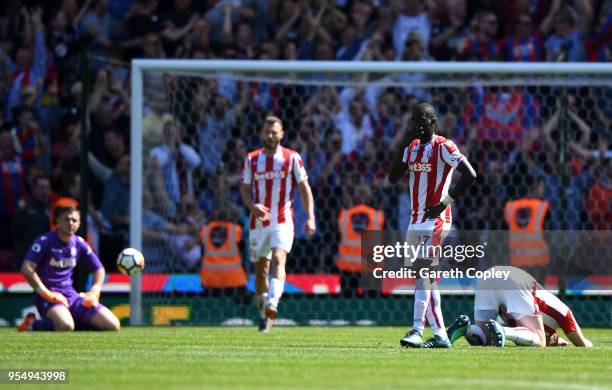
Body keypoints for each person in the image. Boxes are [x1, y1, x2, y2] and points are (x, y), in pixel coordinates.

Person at [388, 102, 477, 348]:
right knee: (426, 279)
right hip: (415, 219)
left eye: (421, 120)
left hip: (436, 219)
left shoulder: (444, 146)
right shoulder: (412, 147)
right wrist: (405, 140)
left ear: (433, 121)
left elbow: (470, 174)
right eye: (413, 120)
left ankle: (417, 329)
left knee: (424, 274)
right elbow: (393, 176)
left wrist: (445, 202)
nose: (416, 124)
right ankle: (441, 336)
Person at [240, 116, 316, 332]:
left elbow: (304, 188)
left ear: (282, 134)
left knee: (279, 258)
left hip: (283, 220)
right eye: (267, 131)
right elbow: (244, 189)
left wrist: (310, 216)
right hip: (258, 222)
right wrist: (252, 206)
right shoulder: (251, 159)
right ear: (261, 134)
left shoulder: (292, 158)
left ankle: (273, 304)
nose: (271, 135)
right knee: (261, 272)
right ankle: (264, 312)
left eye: (275, 132)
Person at [17, 205, 120, 332]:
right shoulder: (45, 241)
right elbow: (26, 268)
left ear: (79, 223)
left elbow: (99, 269)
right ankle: (32, 324)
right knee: (66, 326)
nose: (70, 223)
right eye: (66, 219)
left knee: (112, 324)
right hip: (48, 297)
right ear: (58, 221)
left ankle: (76, 320)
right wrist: (47, 294)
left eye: (74, 220)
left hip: (72, 297)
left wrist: (94, 291)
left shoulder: (80, 243)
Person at [445, 266, 592, 348]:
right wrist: (587, 344)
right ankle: (503, 331)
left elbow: (525, 334)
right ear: (554, 334)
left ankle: (465, 328)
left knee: (484, 338)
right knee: (539, 341)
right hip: (515, 281)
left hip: (488, 276)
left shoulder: (529, 321)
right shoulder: (564, 314)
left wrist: (555, 341)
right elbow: (583, 344)